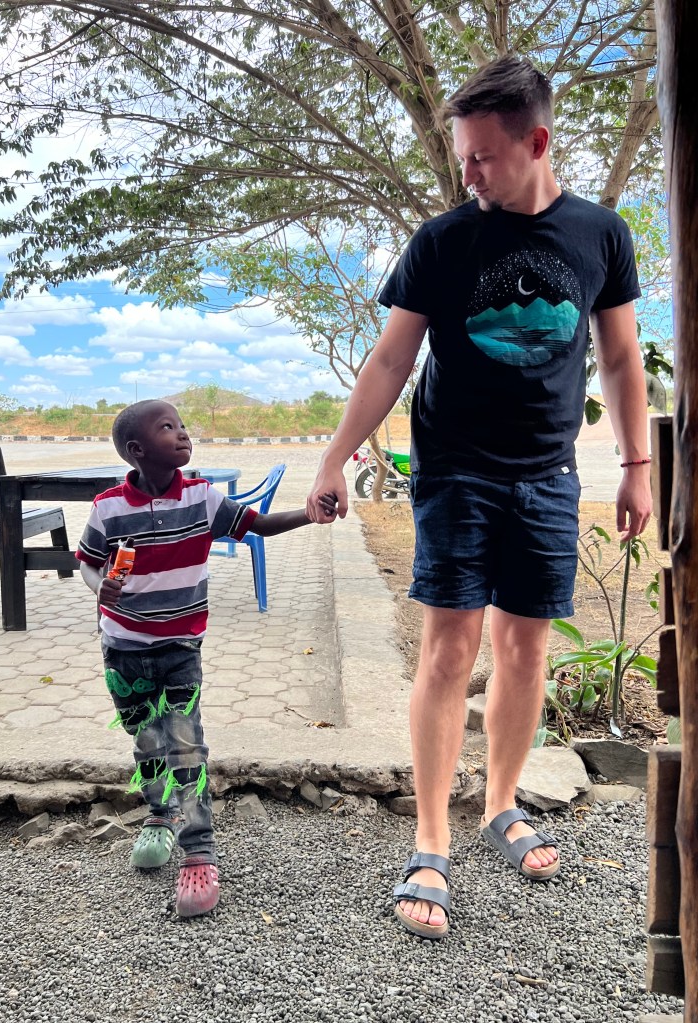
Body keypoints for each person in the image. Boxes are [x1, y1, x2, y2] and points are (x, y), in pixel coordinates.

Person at [306, 55, 652, 940]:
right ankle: (431, 838)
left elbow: (619, 358)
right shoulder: (443, 240)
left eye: (483, 157)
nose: (468, 174)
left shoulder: (601, 235)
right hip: (456, 468)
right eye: (462, 157)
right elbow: (392, 357)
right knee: (449, 647)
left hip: (549, 474)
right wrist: (335, 458)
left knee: (526, 649)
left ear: (536, 142)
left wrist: (637, 464)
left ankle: (501, 802)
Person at [77, 399, 334, 919]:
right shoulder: (108, 507)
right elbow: (87, 563)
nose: (182, 433)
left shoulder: (202, 497)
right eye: (167, 427)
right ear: (137, 449)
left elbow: (259, 524)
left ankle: (199, 852)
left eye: (182, 425)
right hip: (123, 648)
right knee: (146, 740)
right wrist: (100, 587)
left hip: (179, 645)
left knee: (185, 743)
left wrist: (309, 514)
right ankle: (158, 816)